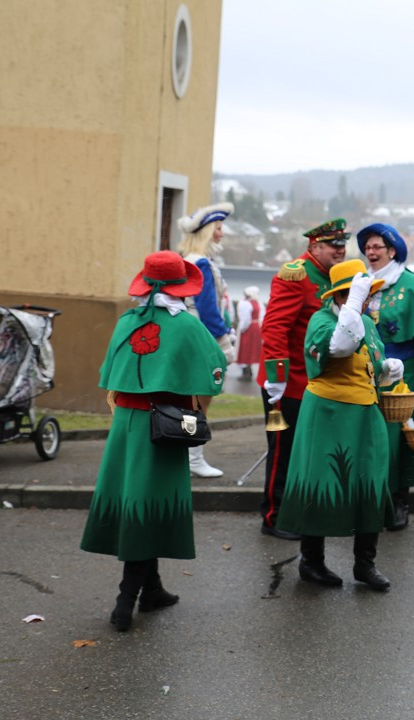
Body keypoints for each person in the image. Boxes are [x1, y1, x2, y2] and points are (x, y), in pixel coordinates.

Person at [80, 250, 227, 632]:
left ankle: (153, 590)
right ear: (181, 287)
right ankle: (124, 601)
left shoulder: (127, 321)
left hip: (126, 425)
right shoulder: (188, 325)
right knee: (149, 509)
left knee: (141, 503)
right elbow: (215, 372)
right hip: (164, 425)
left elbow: (108, 372)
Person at [274, 259, 403, 591]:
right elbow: (339, 346)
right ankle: (311, 562)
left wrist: (388, 368)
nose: (369, 299)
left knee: (370, 483)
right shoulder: (321, 320)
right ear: (344, 295)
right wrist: (355, 304)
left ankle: (365, 564)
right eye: (362, 293)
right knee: (320, 482)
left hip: (365, 413)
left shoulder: (365, 322)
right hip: (328, 413)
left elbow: (368, 363)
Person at [257, 219, 347, 540]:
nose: (340, 249)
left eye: (342, 244)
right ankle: (274, 516)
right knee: (282, 451)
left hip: (312, 383)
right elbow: (274, 328)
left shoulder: (331, 277)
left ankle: (297, 510)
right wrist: (276, 378)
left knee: (305, 451)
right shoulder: (295, 274)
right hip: (285, 384)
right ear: (314, 246)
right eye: (332, 245)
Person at [358, 223, 414, 530]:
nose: (371, 252)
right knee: (371, 437)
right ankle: (372, 497)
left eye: (377, 247)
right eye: (367, 247)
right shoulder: (362, 283)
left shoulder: (412, 286)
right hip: (367, 373)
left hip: (404, 375)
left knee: (401, 439)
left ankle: (399, 501)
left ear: (392, 251)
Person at [177, 202, 235, 478]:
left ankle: (189, 453)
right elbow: (209, 310)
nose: (222, 233)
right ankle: (193, 456)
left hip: (188, 338)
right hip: (202, 340)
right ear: (208, 232)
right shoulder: (200, 263)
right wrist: (224, 341)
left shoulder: (187, 260)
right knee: (199, 399)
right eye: (219, 228)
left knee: (191, 400)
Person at [234, 285, 263, 380]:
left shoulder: (246, 304)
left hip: (249, 328)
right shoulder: (258, 303)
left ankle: (246, 372)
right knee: (251, 350)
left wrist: (242, 329)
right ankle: (248, 370)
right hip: (256, 327)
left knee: (245, 350)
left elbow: (246, 319)